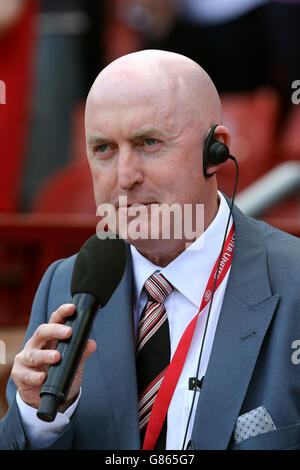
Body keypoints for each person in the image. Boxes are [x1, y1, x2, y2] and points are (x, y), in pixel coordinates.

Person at [1, 49, 300, 451]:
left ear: (214, 152)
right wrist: (38, 419)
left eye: (148, 143)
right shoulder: (64, 285)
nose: (124, 178)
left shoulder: (293, 280)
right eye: (104, 149)